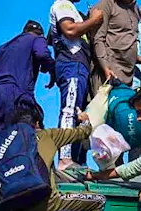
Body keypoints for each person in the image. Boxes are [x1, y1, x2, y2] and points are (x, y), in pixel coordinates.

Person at [49, 0, 103, 169]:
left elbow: (51, 39)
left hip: (78, 66)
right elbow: (69, 30)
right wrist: (94, 20)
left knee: (78, 114)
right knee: (69, 110)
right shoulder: (63, 4)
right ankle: (65, 159)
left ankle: (75, 158)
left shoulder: (73, 10)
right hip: (72, 64)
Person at [0, 21, 56, 139]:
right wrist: (52, 70)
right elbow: (42, 54)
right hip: (17, 96)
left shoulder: (3, 47)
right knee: (32, 140)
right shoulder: (37, 38)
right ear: (40, 33)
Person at [90, 0, 140, 89]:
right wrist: (106, 67)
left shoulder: (136, 8)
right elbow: (98, 39)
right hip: (110, 69)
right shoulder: (106, 5)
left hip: (129, 73)